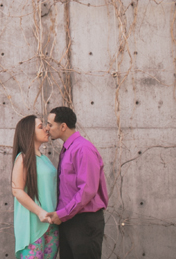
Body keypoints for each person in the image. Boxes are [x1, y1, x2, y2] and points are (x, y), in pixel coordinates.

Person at [44, 106, 109, 259]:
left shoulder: (83, 149)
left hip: (84, 222)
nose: (47, 128)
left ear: (63, 126)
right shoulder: (68, 148)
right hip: (69, 220)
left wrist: (63, 214)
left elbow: (87, 189)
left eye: (50, 124)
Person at [11, 115, 59, 259]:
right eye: (40, 127)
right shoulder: (23, 158)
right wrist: (40, 212)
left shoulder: (44, 159)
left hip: (51, 223)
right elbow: (17, 190)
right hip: (32, 225)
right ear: (29, 132)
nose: (46, 129)